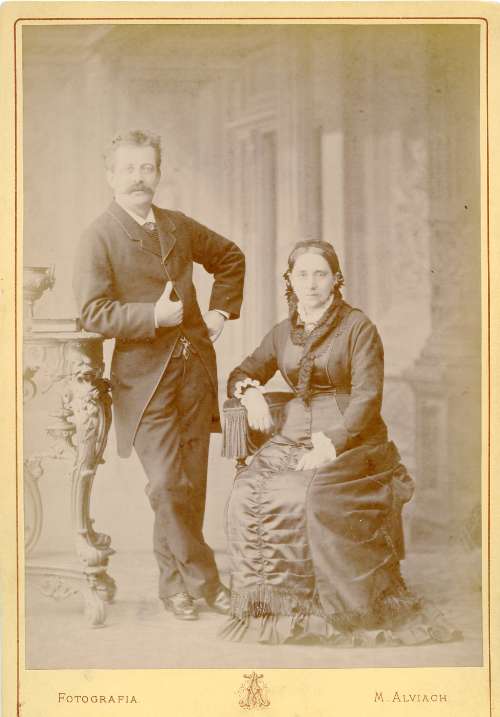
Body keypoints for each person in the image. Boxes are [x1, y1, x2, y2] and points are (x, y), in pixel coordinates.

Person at [221, 240, 459, 646]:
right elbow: (243, 371)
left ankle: (328, 608)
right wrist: (251, 393)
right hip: (291, 435)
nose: (311, 283)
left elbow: (367, 396)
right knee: (245, 493)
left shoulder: (358, 328)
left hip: (352, 438)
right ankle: (273, 607)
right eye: (302, 275)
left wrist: (331, 444)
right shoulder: (282, 333)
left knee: (312, 495)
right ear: (290, 281)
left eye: (320, 274)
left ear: (335, 279)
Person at [73, 129, 245, 621]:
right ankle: (206, 582)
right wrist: (153, 316)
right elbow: (93, 313)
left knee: (189, 485)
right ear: (110, 176)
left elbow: (230, 258)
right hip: (142, 382)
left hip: (195, 371)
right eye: (128, 169)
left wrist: (220, 312)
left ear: (158, 173)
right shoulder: (98, 236)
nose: (138, 178)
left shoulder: (177, 224)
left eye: (146, 168)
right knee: (167, 484)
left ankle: (173, 588)